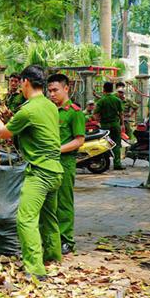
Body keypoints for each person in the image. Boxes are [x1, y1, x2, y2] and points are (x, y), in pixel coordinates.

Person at [0, 65, 63, 279]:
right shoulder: (50, 105)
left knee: (25, 220)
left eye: (20, 83)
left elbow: (3, 133)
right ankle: (53, 257)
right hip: (56, 171)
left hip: (40, 173)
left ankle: (35, 270)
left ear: (25, 82)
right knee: (49, 217)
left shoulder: (28, 110)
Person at [46, 73, 85, 255]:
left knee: (64, 203)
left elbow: (79, 140)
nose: (52, 94)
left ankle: (66, 240)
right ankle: (51, 238)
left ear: (66, 89)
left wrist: (58, 150)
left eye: (55, 90)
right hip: (48, 162)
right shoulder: (48, 109)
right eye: (50, 91)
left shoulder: (74, 112)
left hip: (65, 162)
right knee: (48, 203)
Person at [94, 81, 125, 170]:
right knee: (116, 144)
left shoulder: (101, 101)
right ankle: (117, 164)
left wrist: (98, 121)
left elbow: (96, 114)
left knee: (105, 144)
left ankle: (104, 163)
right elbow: (121, 113)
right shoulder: (117, 100)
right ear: (112, 89)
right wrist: (122, 124)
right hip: (115, 125)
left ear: (103, 89)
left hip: (104, 126)